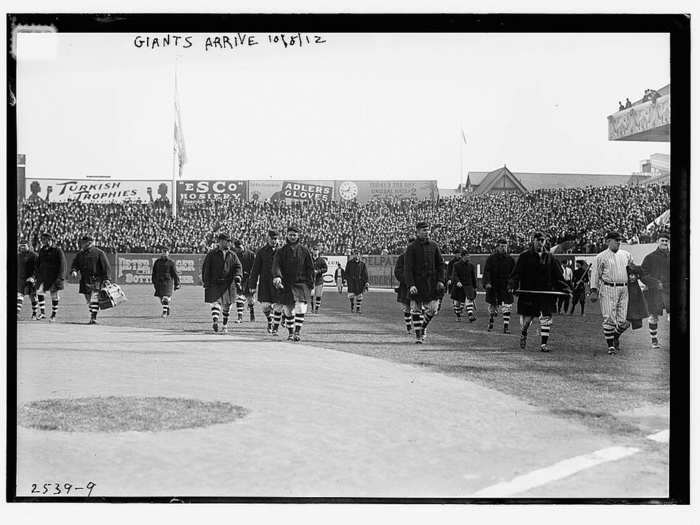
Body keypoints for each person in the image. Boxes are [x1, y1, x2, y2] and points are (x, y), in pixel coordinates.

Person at [509, 232, 571, 352]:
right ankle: (524, 332)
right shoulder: (525, 256)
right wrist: (512, 285)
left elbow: (558, 276)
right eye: (539, 240)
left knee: (546, 319)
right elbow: (516, 273)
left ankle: (543, 345)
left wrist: (566, 289)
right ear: (534, 240)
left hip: (546, 293)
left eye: (543, 240)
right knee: (527, 321)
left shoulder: (550, 258)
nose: (541, 243)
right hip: (530, 293)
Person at [589, 231, 635, 355]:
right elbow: (595, 275)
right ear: (608, 241)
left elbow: (632, 269)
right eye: (615, 240)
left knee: (622, 321)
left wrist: (633, 275)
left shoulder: (626, 254)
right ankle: (611, 347)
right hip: (608, 288)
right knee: (609, 318)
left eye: (619, 240)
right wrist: (594, 290)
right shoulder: (600, 257)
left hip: (624, 289)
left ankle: (614, 337)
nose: (618, 242)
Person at [404, 221, 446, 344]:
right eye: (423, 230)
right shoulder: (411, 248)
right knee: (416, 310)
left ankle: (423, 327)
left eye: (427, 230)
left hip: (431, 283)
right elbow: (408, 268)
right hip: (417, 284)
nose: (426, 232)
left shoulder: (434, 246)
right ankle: (418, 336)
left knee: (433, 309)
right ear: (417, 232)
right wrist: (411, 285)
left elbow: (440, 265)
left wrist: (440, 280)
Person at [272, 224, 315, 341]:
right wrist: (277, 277)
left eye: (294, 235)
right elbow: (276, 265)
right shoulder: (281, 251)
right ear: (287, 235)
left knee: (301, 308)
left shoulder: (304, 251)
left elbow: (310, 268)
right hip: (286, 284)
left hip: (301, 284)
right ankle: (291, 333)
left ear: (298, 236)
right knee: (288, 310)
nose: (292, 237)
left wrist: (311, 284)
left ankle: (297, 332)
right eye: (290, 235)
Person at [202, 232, 242, 333]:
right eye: (226, 241)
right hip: (215, 283)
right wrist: (206, 282)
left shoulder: (232, 255)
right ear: (220, 242)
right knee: (216, 303)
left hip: (228, 284)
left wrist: (238, 276)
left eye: (229, 242)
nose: (229, 244)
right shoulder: (211, 254)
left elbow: (238, 266)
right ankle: (215, 321)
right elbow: (206, 268)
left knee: (227, 306)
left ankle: (224, 325)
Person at [70, 234, 111, 324]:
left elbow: (106, 267)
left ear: (89, 243)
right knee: (88, 299)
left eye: (83, 242)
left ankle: (93, 317)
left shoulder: (99, 253)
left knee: (94, 298)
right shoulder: (80, 254)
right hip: (85, 279)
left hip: (96, 279)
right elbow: (75, 264)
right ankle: (93, 313)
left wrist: (107, 279)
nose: (82, 244)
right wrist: (74, 270)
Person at [249, 230, 283, 334]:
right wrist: (252, 285)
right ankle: (270, 320)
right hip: (265, 283)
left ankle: (275, 327)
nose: (274, 240)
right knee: (265, 306)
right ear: (267, 238)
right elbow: (255, 269)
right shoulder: (261, 252)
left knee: (278, 306)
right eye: (272, 238)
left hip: (278, 283)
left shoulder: (282, 251)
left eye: (276, 238)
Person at [640, 231, 670, 349]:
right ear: (658, 241)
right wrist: (655, 283)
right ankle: (654, 340)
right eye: (662, 240)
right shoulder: (650, 257)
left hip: (669, 291)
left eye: (666, 241)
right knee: (653, 317)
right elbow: (643, 274)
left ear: (668, 242)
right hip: (654, 292)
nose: (664, 242)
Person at [482, 239, 515, 333]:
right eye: (501, 246)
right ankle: (491, 321)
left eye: (505, 246)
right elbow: (487, 272)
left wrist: (511, 285)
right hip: (494, 285)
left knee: (507, 306)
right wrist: (487, 283)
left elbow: (514, 274)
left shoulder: (510, 260)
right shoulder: (491, 259)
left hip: (506, 286)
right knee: (493, 305)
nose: (504, 248)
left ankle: (506, 326)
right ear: (497, 247)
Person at [36, 232, 67, 322]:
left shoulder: (57, 250)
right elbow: (38, 263)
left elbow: (63, 265)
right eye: (42, 240)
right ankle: (42, 313)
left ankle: (53, 315)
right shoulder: (42, 250)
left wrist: (60, 278)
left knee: (54, 296)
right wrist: (37, 275)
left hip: (54, 277)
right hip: (44, 277)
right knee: (40, 292)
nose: (43, 241)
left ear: (50, 240)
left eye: (45, 239)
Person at [394, 235, 416, 334]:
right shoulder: (402, 258)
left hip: (417, 286)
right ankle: (408, 327)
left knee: (418, 307)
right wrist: (407, 279)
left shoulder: (419, 257)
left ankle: (418, 328)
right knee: (407, 307)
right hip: (405, 286)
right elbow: (397, 272)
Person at [151, 244, 180, 318]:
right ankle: (166, 308)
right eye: (163, 251)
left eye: (166, 251)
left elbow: (175, 273)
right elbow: (154, 272)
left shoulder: (171, 262)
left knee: (165, 297)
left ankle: (164, 312)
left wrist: (177, 283)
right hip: (159, 282)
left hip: (168, 282)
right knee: (161, 299)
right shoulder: (157, 262)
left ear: (168, 253)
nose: (164, 253)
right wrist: (153, 280)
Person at [450, 250, 477, 322]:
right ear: (463, 256)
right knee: (457, 302)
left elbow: (473, 277)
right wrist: (457, 282)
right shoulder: (456, 265)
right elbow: (454, 275)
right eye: (467, 255)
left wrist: (475, 287)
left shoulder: (471, 266)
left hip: (468, 285)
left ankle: (470, 315)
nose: (469, 256)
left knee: (469, 300)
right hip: (459, 286)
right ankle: (458, 316)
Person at [233, 239, 256, 322]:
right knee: (240, 297)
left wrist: (254, 279)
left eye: (239, 247)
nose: (238, 249)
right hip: (240, 279)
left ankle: (252, 312)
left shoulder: (251, 255)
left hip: (249, 279)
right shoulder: (235, 255)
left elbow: (255, 268)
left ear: (243, 245)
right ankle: (240, 317)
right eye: (237, 248)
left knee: (250, 299)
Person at [17, 240, 39, 321]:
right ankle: (17, 313)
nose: (22, 247)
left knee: (33, 297)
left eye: (24, 245)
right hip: (20, 279)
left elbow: (37, 269)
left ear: (28, 246)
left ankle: (34, 314)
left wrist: (33, 277)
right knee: (19, 295)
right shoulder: (18, 256)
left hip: (31, 280)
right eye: (21, 245)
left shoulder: (34, 256)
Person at [311, 244, 328, 313]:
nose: (315, 252)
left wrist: (318, 271)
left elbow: (325, 269)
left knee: (318, 295)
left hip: (319, 280)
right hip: (311, 280)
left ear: (318, 251)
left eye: (316, 250)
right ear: (312, 251)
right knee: (311, 295)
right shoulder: (309, 259)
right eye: (314, 250)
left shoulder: (321, 260)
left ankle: (317, 309)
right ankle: (312, 308)